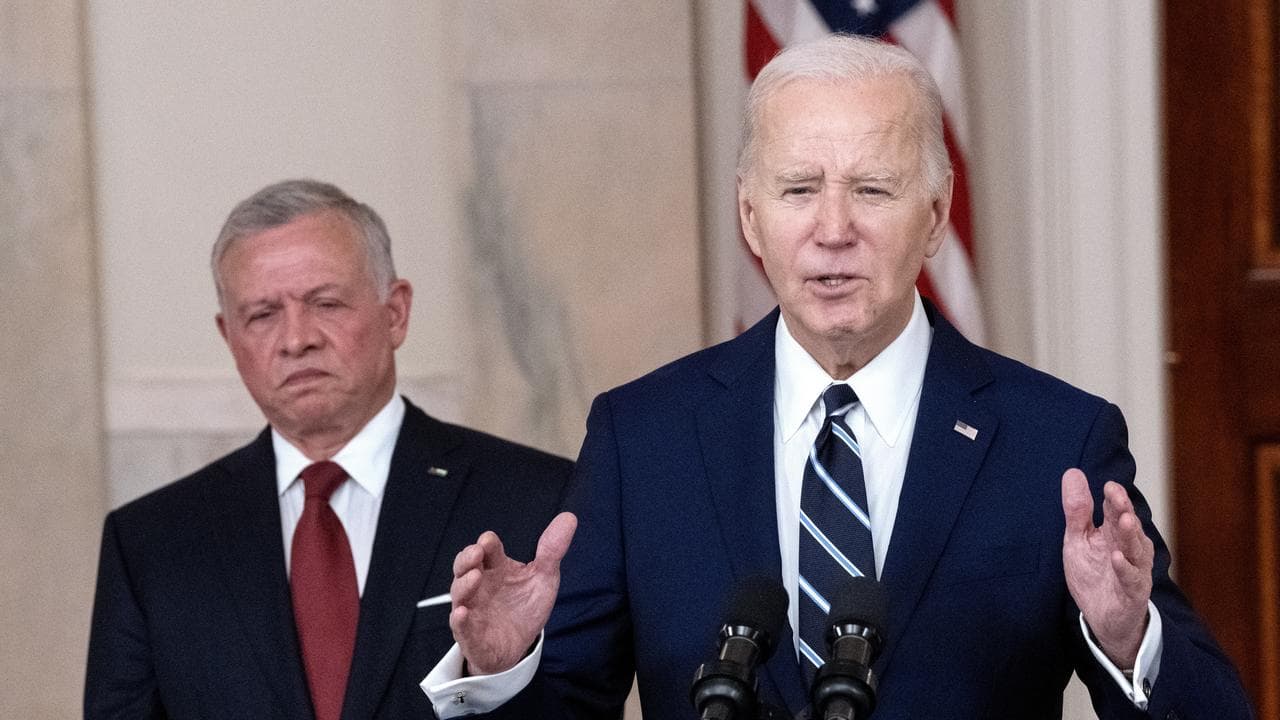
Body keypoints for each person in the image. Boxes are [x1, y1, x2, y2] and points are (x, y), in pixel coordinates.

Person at [422, 35, 1253, 719]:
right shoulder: (645, 439)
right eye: (797, 189)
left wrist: (1125, 634)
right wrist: (504, 671)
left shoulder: (1054, 445)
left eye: (872, 188)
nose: (832, 229)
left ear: (934, 216)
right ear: (751, 215)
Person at [84, 179, 573, 720]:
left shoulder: (537, 500)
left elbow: (586, 707)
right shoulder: (152, 543)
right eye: (262, 315)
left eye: (326, 302)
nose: (297, 339)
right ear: (229, 337)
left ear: (396, 313)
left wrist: (493, 674)